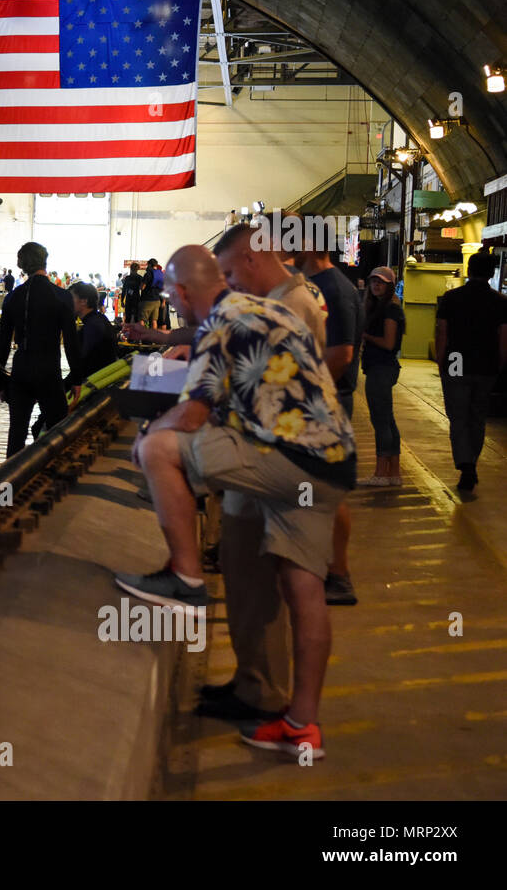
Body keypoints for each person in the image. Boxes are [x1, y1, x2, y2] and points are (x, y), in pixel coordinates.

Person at [119, 245, 355, 759]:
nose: (171, 304)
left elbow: (190, 417)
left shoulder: (219, 321)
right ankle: (288, 715)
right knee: (291, 582)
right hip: (330, 462)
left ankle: (184, 580)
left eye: (169, 294)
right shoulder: (270, 306)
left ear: (182, 292)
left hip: (284, 459)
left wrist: (145, 438)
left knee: (159, 448)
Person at [198, 224, 330, 722]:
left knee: (263, 583)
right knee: (251, 582)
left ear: (251, 260)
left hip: (275, 462)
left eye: (231, 272)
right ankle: (254, 680)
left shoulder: (287, 305)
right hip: (277, 457)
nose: (231, 283)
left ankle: (267, 693)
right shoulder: (290, 298)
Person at [294, 220, 363, 606]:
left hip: (327, 401)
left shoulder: (333, 289)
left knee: (329, 492)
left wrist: (303, 393)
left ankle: (339, 575)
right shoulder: (320, 286)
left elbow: (341, 355)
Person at [0, 242, 80, 457]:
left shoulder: (13, 297)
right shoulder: (61, 296)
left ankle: (10, 485)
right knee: (58, 430)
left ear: (22, 265)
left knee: (16, 434)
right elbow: (71, 341)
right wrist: (77, 378)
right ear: (45, 261)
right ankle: (55, 476)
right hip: (49, 370)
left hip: (21, 369)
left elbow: (3, 341)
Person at [435, 249, 507, 494]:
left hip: (456, 361)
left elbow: (442, 332)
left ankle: (465, 464)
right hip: (486, 365)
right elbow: (503, 337)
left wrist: (441, 361)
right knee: (477, 417)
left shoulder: (451, 298)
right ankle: (471, 463)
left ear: (469, 270)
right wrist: (500, 364)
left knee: (458, 416)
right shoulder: (500, 302)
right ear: (491, 273)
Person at [357, 266, 406, 487]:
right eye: (373, 281)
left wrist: (365, 335)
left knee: (380, 421)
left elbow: (388, 343)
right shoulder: (380, 307)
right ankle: (393, 473)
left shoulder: (391, 310)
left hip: (382, 368)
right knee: (387, 419)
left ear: (389, 286)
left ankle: (380, 472)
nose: (376, 285)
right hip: (380, 367)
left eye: (381, 282)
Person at [70, 282, 118, 386]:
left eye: (71, 298)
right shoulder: (100, 319)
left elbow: (82, 365)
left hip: (94, 385)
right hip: (103, 381)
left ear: (83, 301)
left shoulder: (92, 326)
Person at [139, 258, 164, 327]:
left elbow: (142, 287)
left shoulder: (148, 274)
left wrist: (140, 285)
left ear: (149, 264)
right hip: (157, 300)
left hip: (147, 300)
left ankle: (142, 336)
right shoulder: (160, 274)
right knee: (154, 320)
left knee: (142, 319)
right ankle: (153, 337)